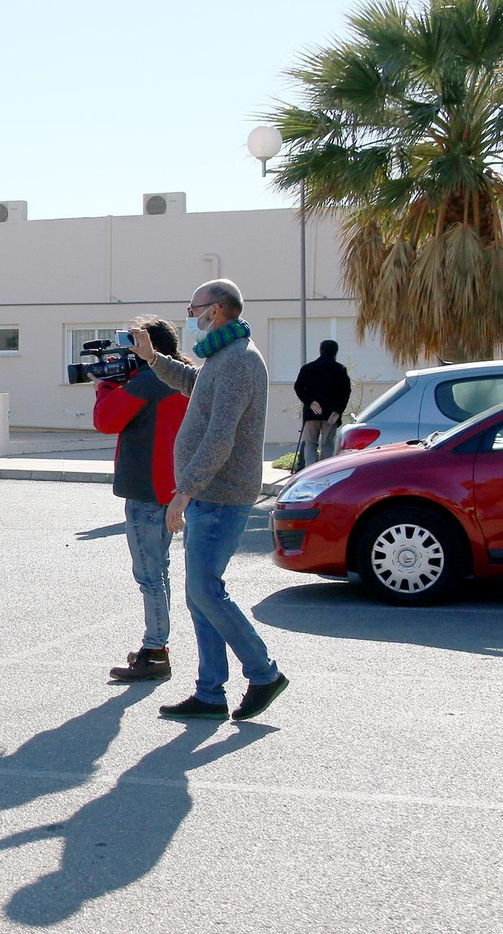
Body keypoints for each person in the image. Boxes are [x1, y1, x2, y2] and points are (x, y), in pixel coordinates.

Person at [128, 279, 288, 721]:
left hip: (219, 495)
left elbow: (220, 436)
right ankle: (211, 693)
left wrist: (185, 491)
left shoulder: (239, 360)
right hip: (210, 495)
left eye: (193, 308)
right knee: (202, 595)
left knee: (204, 591)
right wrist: (153, 358)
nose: (190, 316)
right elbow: (192, 383)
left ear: (215, 310)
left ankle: (263, 673)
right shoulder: (224, 357)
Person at [92, 316, 189, 683]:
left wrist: (104, 387)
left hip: (147, 490)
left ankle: (155, 650)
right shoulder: (183, 376)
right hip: (177, 489)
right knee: (159, 570)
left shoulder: (149, 380)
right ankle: (157, 646)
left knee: (149, 574)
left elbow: (106, 420)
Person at [294, 339, 352, 467]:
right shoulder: (340, 369)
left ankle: (310, 471)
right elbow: (345, 392)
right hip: (331, 415)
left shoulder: (308, 368)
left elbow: (298, 387)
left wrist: (310, 402)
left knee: (310, 443)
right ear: (336, 352)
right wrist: (338, 411)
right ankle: (324, 471)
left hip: (311, 414)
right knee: (327, 445)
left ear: (320, 351)